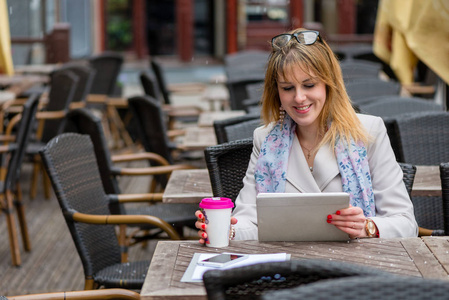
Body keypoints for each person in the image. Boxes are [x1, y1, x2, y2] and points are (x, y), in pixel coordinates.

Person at [195, 28, 418, 242]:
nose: (299, 98)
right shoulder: (264, 139)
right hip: (287, 269)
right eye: (287, 88)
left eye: (309, 85)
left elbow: (407, 224)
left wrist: (367, 226)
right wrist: (225, 229)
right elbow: (250, 221)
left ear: (329, 85)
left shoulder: (369, 131)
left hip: (356, 272)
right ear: (277, 92)